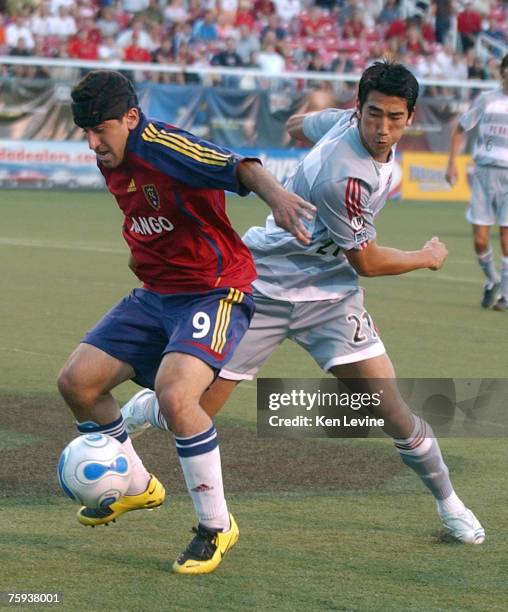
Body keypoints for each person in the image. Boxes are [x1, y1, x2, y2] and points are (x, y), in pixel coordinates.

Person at [123, 61, 486, 546]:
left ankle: (451, 505)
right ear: (359, 109)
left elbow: (300, 125)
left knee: (391, 409)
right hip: (262, 288)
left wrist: (306, 127)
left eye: (393, 118)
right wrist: (427, 256)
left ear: (410, 116)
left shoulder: (342, 120)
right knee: (184, 411)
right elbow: (368, 262)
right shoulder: (346, 178)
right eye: (373, 115)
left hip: (330, 299)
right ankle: (153, 407)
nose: (381, 129)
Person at [57, 70, 315, 576]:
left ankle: (216, 527)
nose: (92, 142)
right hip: (157, 293)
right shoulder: (111, 153)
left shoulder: (164, 145)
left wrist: (278, 199)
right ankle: (135, 484)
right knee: (77, 383)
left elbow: (239, 165)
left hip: (216, 289)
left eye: (101, 130)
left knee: (178, 398)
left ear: (131, 118)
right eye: (85, 132)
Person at [446, 53, 508, 311]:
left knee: (506, 236)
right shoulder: (487, 100)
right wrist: (451, 163)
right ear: (502, 72)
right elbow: (461, 128)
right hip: (484, 174)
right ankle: (492, 280)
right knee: (480, 240)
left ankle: (505, 295)